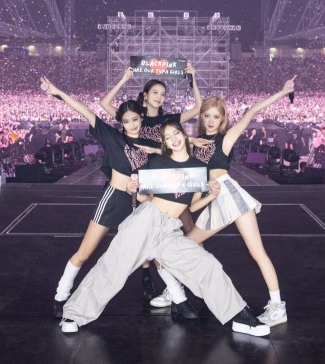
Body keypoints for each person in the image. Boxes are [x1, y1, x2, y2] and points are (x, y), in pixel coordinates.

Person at [59, 120, 269, 337]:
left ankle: (239, 316)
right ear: (165, 143)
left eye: (175, 133)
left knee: (207, 265)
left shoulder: (198, 167)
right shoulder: (158, 162)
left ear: (184, 135)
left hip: (170, 229)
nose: (173, 139)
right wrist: (133, 189)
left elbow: (191, 206)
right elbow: (145, 197)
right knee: (112, 268)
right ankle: (74, 313)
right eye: (167, 137)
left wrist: (212, 195)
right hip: (146, 222)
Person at [168, 76, 296, 327]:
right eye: (207, 115)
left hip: (229, 194)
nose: (211, 120)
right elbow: (169, 142)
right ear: (201, 117)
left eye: (216, 116)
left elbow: (252, 111)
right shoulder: (194, 145)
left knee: (257, 252)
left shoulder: (225, 139)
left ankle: (277, 306)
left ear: (222, 119)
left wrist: (282, 92)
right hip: (213, 197)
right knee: (185, 246)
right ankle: (176, 291)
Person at [41, 77, 161, 319]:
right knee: (85, 252)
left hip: (138, 202)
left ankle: (172, 294)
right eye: (126, 121)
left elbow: (174, 150)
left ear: (141, 118)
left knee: (154, 250)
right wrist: (57, 92)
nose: (131, 125)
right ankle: (61, 295)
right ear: (121, 123)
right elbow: (85, 110)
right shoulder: (112, 136)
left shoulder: (149, 144)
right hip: (113, 199)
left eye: (135, 120)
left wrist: (158, 150)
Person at [99, 64, 204, 297]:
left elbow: (198, 108)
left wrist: (193, 79)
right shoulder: (137, 117)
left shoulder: (168, 119)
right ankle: (147, 278)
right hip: (144, 179)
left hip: (168, 178)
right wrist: (124, 79)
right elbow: (105, 104)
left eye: (163, 94)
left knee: (188, 226)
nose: (159, 97)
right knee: (147, 231)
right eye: (155, 92)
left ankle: (197, 275)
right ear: (145, 95)